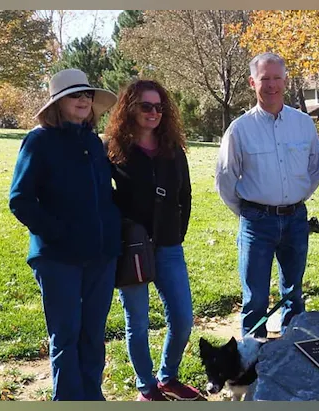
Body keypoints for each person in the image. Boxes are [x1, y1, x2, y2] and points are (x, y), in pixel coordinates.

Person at [8, 68, 121, 400]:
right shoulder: (39, 142)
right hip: (58, 259)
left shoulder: (93, 143)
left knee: (93, 334)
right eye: (75, 95)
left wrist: (112, 231)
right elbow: (20, 199)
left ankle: (91, 395)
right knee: (66, 333)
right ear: (58, 103)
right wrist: (58, 233)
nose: (84, 100)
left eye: (87, 94)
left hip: (101, 256)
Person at [215, 52, 319, 338]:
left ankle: (291, 353)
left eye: (277, 78)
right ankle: (253, 364)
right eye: (265, 79)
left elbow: (315, 168)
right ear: (253, 82)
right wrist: (249, 212)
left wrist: (296, 197)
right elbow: (225, 178)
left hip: (296, 220)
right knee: (255, 299)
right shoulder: (240, 129)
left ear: (286, 81)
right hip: (256, 223)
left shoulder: (303, 124)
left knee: (293, 294)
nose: (272, 85)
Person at [103, 79, 198, 401]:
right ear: (130, 108)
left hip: (170, 246)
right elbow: (103, 198)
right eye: (146, 106)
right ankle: (147, 387)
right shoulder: (114, 149)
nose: (154, 112)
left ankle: (168, 377)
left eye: (159, 107)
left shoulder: (173, 150)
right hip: (131, 249)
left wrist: (177, 232)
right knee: (138, 322)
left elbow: (185, 196)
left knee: (183, 318)